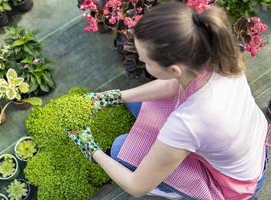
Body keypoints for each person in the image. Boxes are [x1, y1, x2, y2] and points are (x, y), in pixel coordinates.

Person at [66, 1, 270, 199]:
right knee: (136, 101)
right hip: (253, 153)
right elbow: (174, 85)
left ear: (174, 69)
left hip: (233, 188)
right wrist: (115, 97)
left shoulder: (188, 121)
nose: (143, 64)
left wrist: (90, 148)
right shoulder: (218, 56)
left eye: (145, 62)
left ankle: (170, 191)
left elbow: (136, 186)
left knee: (120, 148)